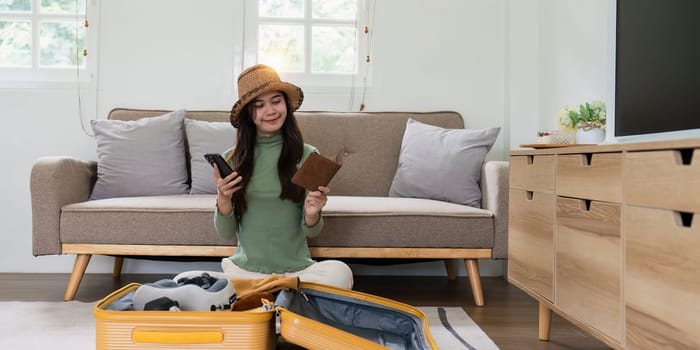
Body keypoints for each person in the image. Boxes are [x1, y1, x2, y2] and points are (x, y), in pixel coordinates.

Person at [178, 64, 353, 290]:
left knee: (341, 273)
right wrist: (223, 199)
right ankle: (282, 301)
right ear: (248, 114)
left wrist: (313, 213)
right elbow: (226, 232)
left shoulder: (307, 154)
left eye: (276, 101)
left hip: (297, 271)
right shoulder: (231, 160)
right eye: (259, 105)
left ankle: (263, 301)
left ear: (286, 105)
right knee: (182, 281)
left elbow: (312, 230)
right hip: (244, 272)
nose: (270, 111)